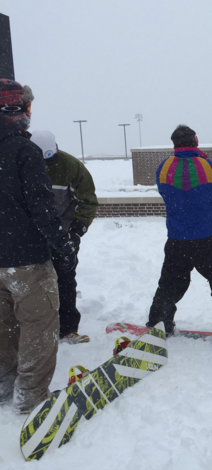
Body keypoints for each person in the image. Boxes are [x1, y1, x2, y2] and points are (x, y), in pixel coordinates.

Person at [0, 79, 76, 414]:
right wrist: (63, 247)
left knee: (4, 325)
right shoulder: (23, 150)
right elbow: (42, 207)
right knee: (39, 325)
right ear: (18, 109)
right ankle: (30, 397)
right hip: (27, 260)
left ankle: (4, 383)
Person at [147, 125, 212, 342]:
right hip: (208, 238)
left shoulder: (163, 168)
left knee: (170, 284)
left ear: (174, 143)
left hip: (177, 240)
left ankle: (160, 324)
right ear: (196, 140)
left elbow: (167, 197)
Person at [30, 130, 98, 344]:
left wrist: (76, 232)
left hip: (63, 236)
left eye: (51, 161)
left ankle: (68, 328)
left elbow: (87, 201)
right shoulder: (22, 165)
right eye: (43, 162)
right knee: (30, 284)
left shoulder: (72, 167)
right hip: (30, 237)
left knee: (65, 280)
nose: (47, 166)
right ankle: (35, 328)